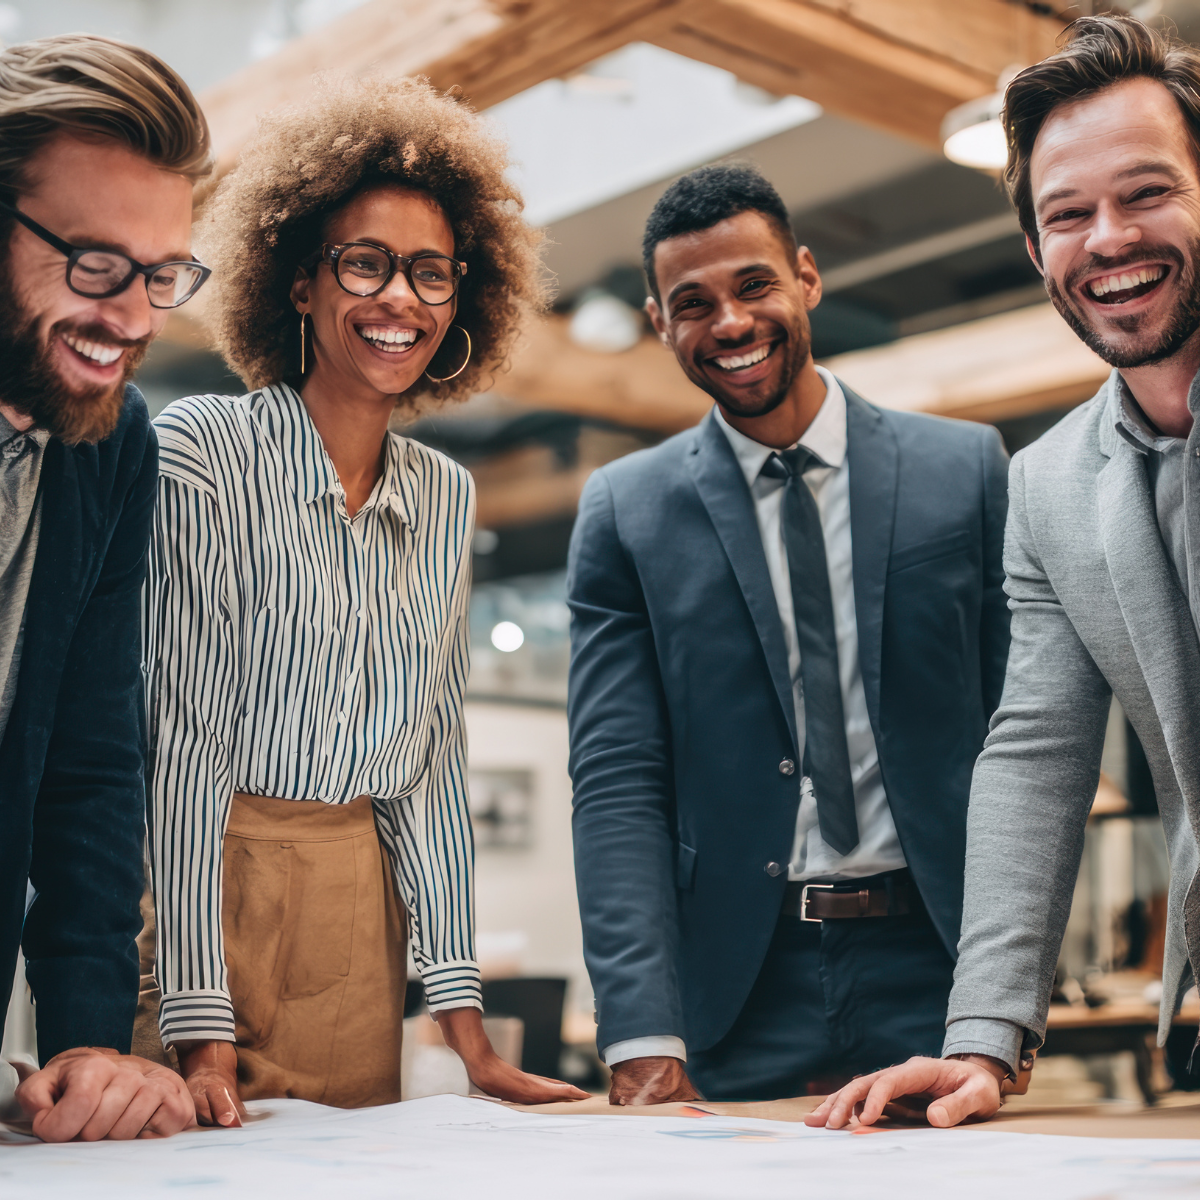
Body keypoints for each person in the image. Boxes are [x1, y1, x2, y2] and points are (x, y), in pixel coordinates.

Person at [141, 75, 589, 1124]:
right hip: (208, 884)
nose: (402, 300)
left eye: (431, 273)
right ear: (300, 283)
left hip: (360, 914)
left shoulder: (445, 496)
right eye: (366, 264)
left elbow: (430, 771)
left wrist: (467, 1036)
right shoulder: (202, 452)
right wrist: (200, 1031)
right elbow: (186, 746)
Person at [808, 14, 1200, 1131]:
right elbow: (1035, 752)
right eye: (1067, 214)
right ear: (1037, 254)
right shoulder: (1047, 486)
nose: (1108, 238)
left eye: (1148, 193)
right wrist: (982, 1038)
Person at [566, 163, 1011, 1103]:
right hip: (736, 984)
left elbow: (1025, 742)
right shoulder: (626, 510)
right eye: (693, 303)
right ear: (659, 322)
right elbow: (616, 782)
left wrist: (1006, 998)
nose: (729, 323)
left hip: (938, 964)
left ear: (805, 277)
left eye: (753, 284)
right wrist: (641, 1028)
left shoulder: (964, 471)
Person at [0, 34, 207, 1141]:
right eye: (94, 264)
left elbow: (88, 762)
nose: (133, 316)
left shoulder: (112, 444)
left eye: (162, 272)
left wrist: (90, 1038)